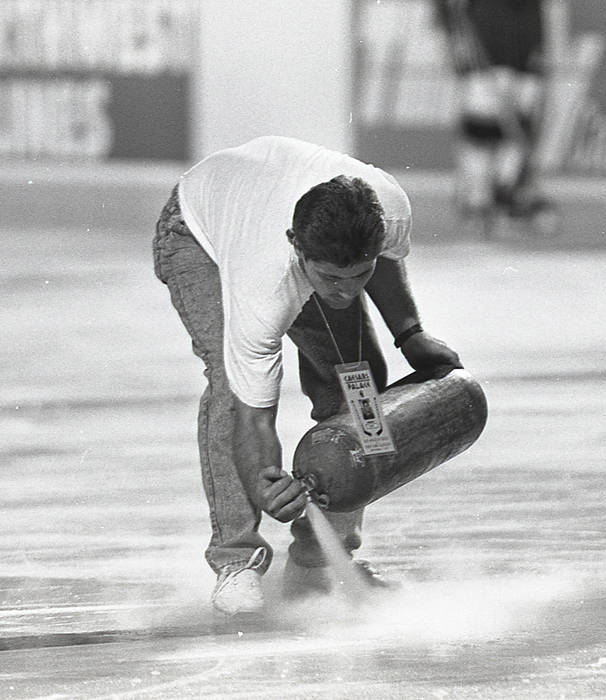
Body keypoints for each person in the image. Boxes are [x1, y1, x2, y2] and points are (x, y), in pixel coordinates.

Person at [152, 136, 463, 614]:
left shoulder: (390, 209)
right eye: (331, 279)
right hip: (197, 233)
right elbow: (254, 417)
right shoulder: (266, 285)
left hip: (273, 203)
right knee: (229, 386)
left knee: (360, 383)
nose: (345, 292)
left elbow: (381, 261)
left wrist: (409, 332)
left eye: (358, 275)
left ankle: (320, 558)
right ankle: (237, 560)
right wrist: (264, 481)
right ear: (297, 249)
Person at [433, 0, 557, 236]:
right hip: (486, 49)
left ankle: (504, 198)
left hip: (525, 52)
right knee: (483, 129)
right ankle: (477, 202)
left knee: (518, 131)